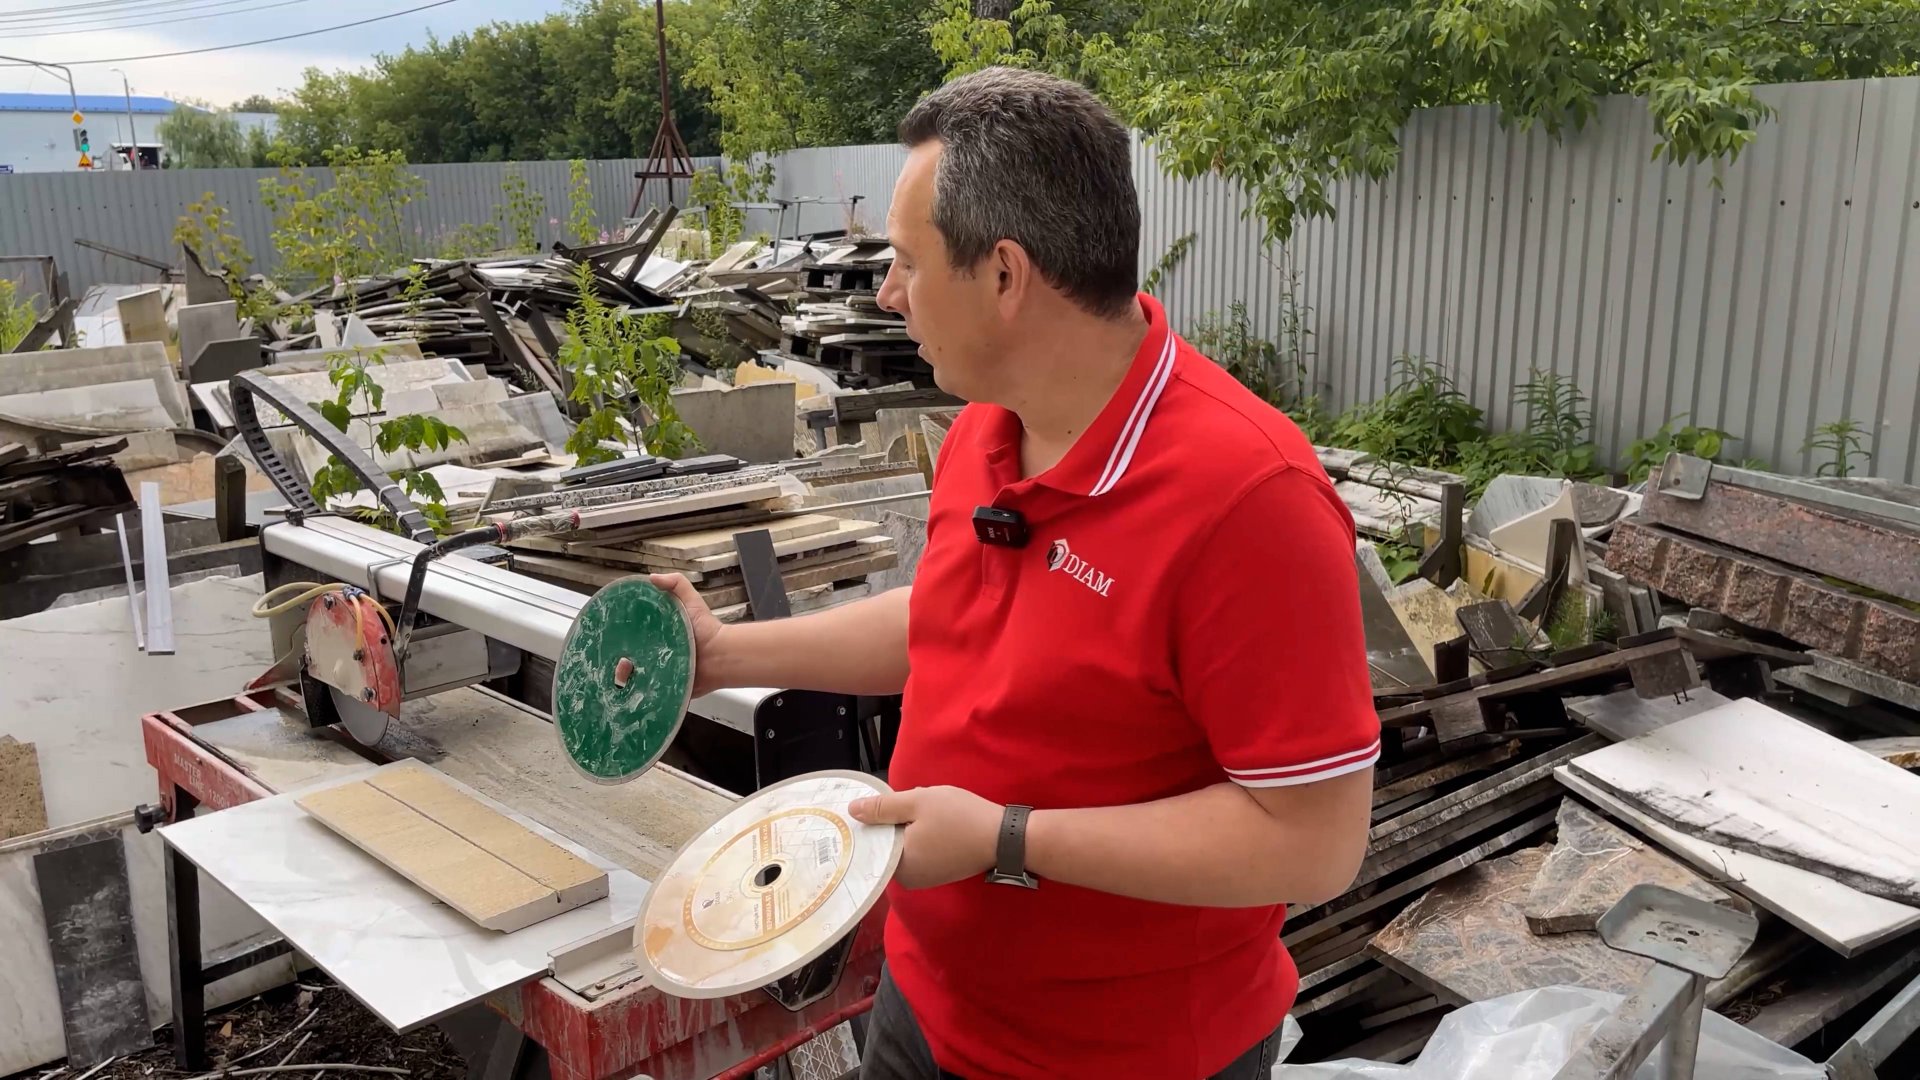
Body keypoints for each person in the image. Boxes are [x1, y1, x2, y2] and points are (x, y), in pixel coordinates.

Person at [650, 66, 1378, 1080]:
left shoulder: (1249, 501)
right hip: (924, 1005)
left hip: (1122, 1059)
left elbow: (1313, 846)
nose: (886, 294)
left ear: (1004, 276)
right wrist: (725, 655)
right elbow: (950, 622)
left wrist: (1007, 838)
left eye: (907, 262)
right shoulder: (988, 428)